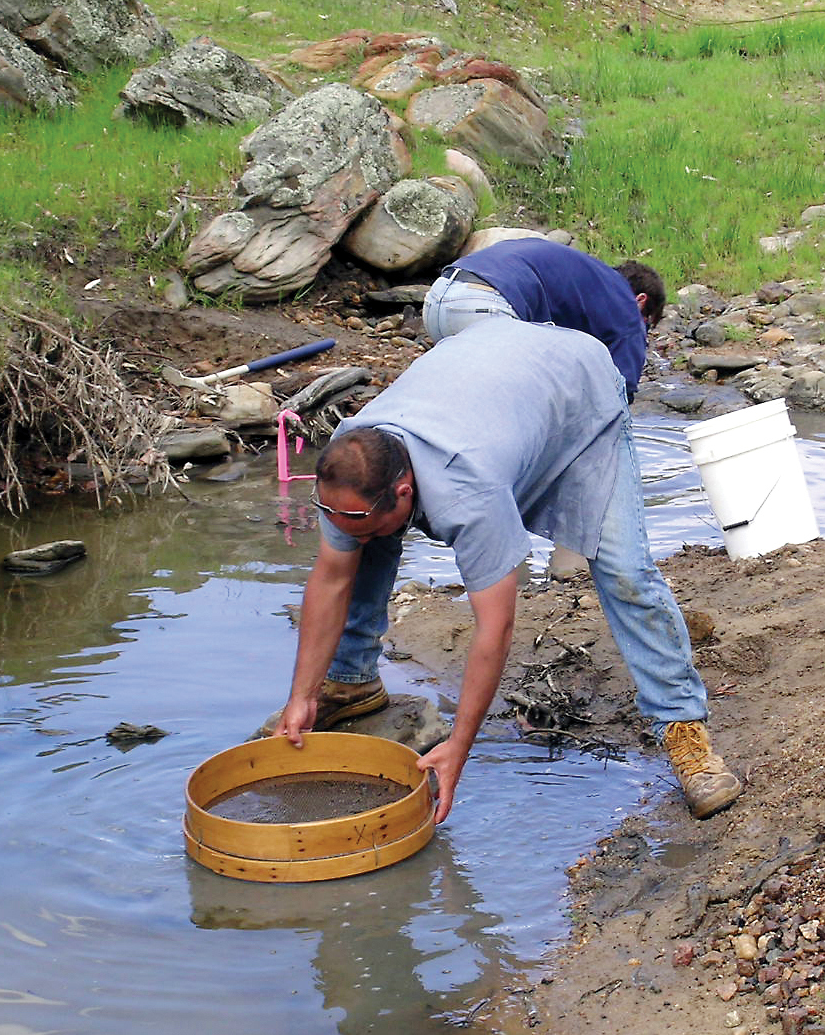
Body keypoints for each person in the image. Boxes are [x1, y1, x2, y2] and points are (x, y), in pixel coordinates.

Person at [271, 317, 741, 824]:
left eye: (359, 518)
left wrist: (458, 746)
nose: (346, 528)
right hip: (492, 369)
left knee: (623, 570)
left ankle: (685, 736)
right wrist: (302, 695)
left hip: (576, 391)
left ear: (404, 491)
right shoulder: (351, 461)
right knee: (362, 543)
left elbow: (495, 629)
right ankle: (350, 681)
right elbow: (332, 577)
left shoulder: (468, 492)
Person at [421, 237, 665, 403]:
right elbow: (623, 390)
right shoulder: (626, 304)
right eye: (648, 322)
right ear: (641, 301)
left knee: (464, 403)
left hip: (438, 298)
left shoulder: (585, 280)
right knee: (525, 409)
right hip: (487, 305)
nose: (643, 329)